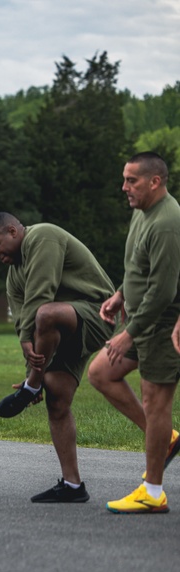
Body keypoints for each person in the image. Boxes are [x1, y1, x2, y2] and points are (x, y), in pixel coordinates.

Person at [0, 212, 115, 503]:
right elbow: (22, 326)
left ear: (13, 231)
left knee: (46, 312)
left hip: (99, 314)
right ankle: (72, 485)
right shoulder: (13, 275)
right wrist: (32, 363)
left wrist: (33, 371)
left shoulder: (43, 236)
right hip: (62, 330)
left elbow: (42, 295)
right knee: (57, 400)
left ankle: (32, 385)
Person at [90, 152, 180, 514]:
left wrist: (131, 333)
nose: (124, 187)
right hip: (141, 319)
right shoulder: (142, 213)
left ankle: (153, 491)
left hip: (160, 325)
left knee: (155, 402)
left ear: (155, 181)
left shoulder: (167, 222)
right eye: (125, 179)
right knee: (100, 373)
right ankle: (166, 440)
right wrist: (120, 295)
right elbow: (136, 268)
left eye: (132, 181)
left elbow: (163, 288)